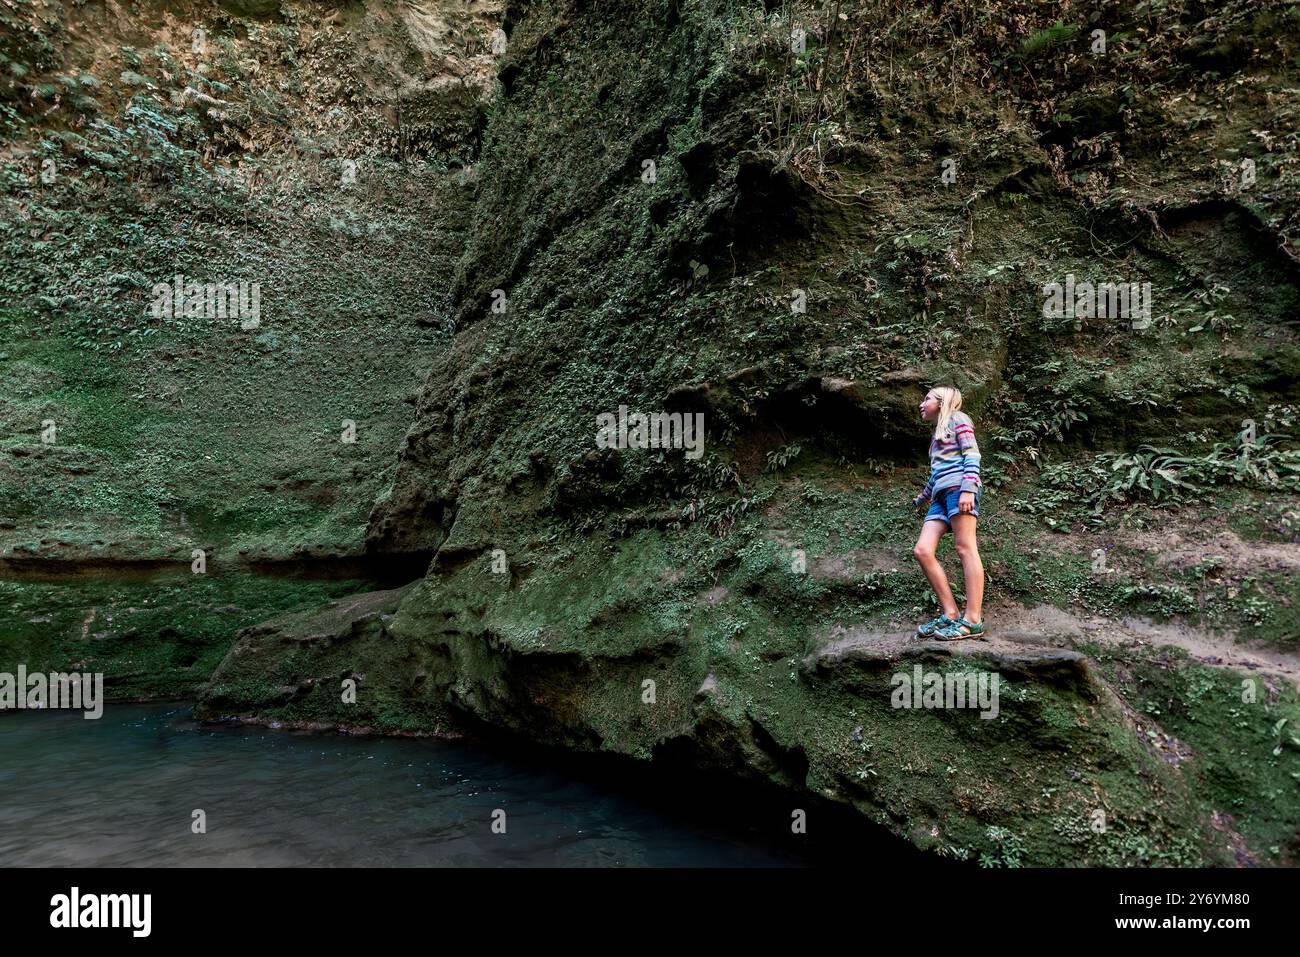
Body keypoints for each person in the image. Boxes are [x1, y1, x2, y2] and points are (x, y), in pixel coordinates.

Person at [911, 386, 986, 640]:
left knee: (965, 547)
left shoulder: (958, 419)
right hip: (941, 496)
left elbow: (972, 455)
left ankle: (973, 620)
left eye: (927, 399)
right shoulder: (937, 434)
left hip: (959, 489)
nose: (922, 404)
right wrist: (922, 498)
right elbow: (937, 474)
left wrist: (968, 489)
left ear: (942, 402)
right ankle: (951, 613)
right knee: (922, 550)